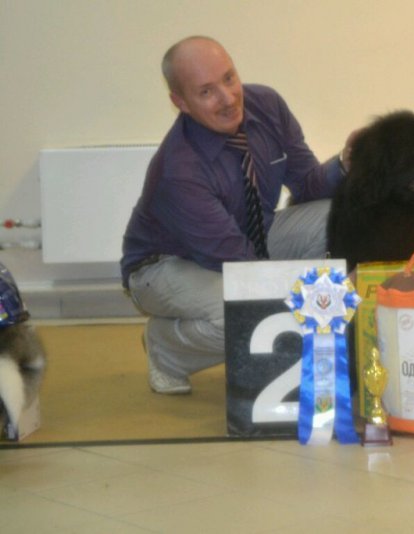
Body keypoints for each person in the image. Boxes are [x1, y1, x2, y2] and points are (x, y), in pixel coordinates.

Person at [121, 36, 354, 394]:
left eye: (229, 78)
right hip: (163, 266)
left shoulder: (267, 104)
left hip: (249, 236)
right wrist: (313, 300)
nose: (229, 98)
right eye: (206, 92)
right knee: (247, 310)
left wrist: (347, 163)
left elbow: (308, 187)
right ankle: (166, 349)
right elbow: (240, 264)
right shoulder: (179, 170)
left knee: (339, 219)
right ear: (179, 102)